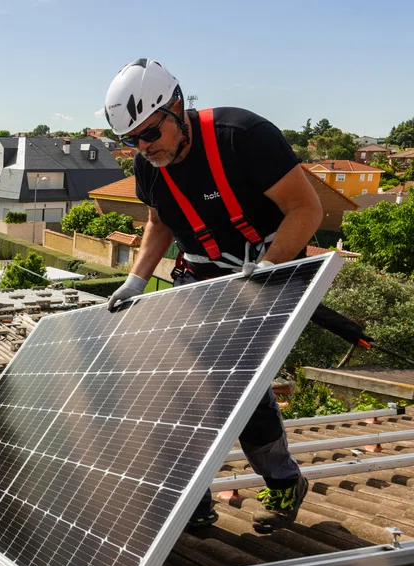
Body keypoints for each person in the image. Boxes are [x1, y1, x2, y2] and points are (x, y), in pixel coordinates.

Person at [102, 58, 324, 534]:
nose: (144, 147)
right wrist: (138, 278)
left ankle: (284, 482)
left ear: (177, 107)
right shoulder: (151, 167)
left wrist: (266, 269)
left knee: (234, 388)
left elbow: (307, 209)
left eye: (150, 133)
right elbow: (159, 223)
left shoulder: (241, 136)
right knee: (174, 387)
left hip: (268, 272)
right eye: (132, 141)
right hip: (199, 279)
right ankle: (193, 499)